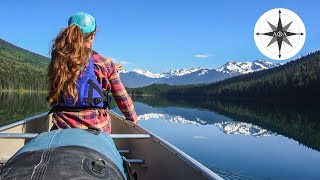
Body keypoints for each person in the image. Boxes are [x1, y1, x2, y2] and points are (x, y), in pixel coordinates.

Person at [47, 12, 137, 133]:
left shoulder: (58, 61)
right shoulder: (105, 63)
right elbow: (123, 100)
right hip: (97, 127)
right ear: (93, 34)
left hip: (61, 127)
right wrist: (133, 120)